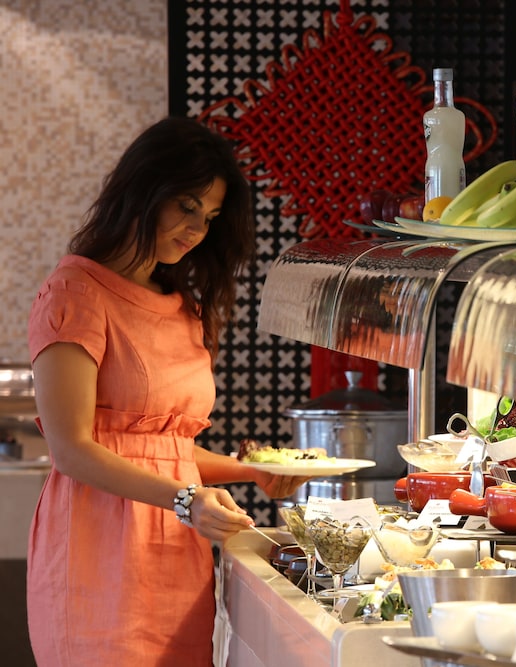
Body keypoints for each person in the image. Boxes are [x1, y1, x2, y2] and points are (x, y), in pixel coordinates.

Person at [26, 117, 310, 665]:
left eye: (210, 217)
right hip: (96, 554)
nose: (197, 229)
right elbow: (71, 449)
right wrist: (185, 499)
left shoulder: (185, 308)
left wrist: (249, 470)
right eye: (186, 206)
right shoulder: (75, 292)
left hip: (175, 554)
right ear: (142, 191)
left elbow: (164, 450)